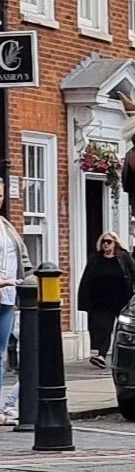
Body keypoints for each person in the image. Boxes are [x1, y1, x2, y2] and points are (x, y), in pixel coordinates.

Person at [77, 232, 135, 368]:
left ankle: (126, 356)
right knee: (103, 329)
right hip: (102, 301)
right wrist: (85, 300)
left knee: (124, 329)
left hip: (123, 300)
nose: (106, 244)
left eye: (109, 241)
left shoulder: (124, 257)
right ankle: (101, 355)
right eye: (104, 241)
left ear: (115, 243)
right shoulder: (95, 259)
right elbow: (87, 279)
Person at [0, 181, 31, 424]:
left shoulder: (6, 227)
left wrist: (32, 285)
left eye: (0, 195)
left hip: (7, 300)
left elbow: (23, 261)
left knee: (1, 355)